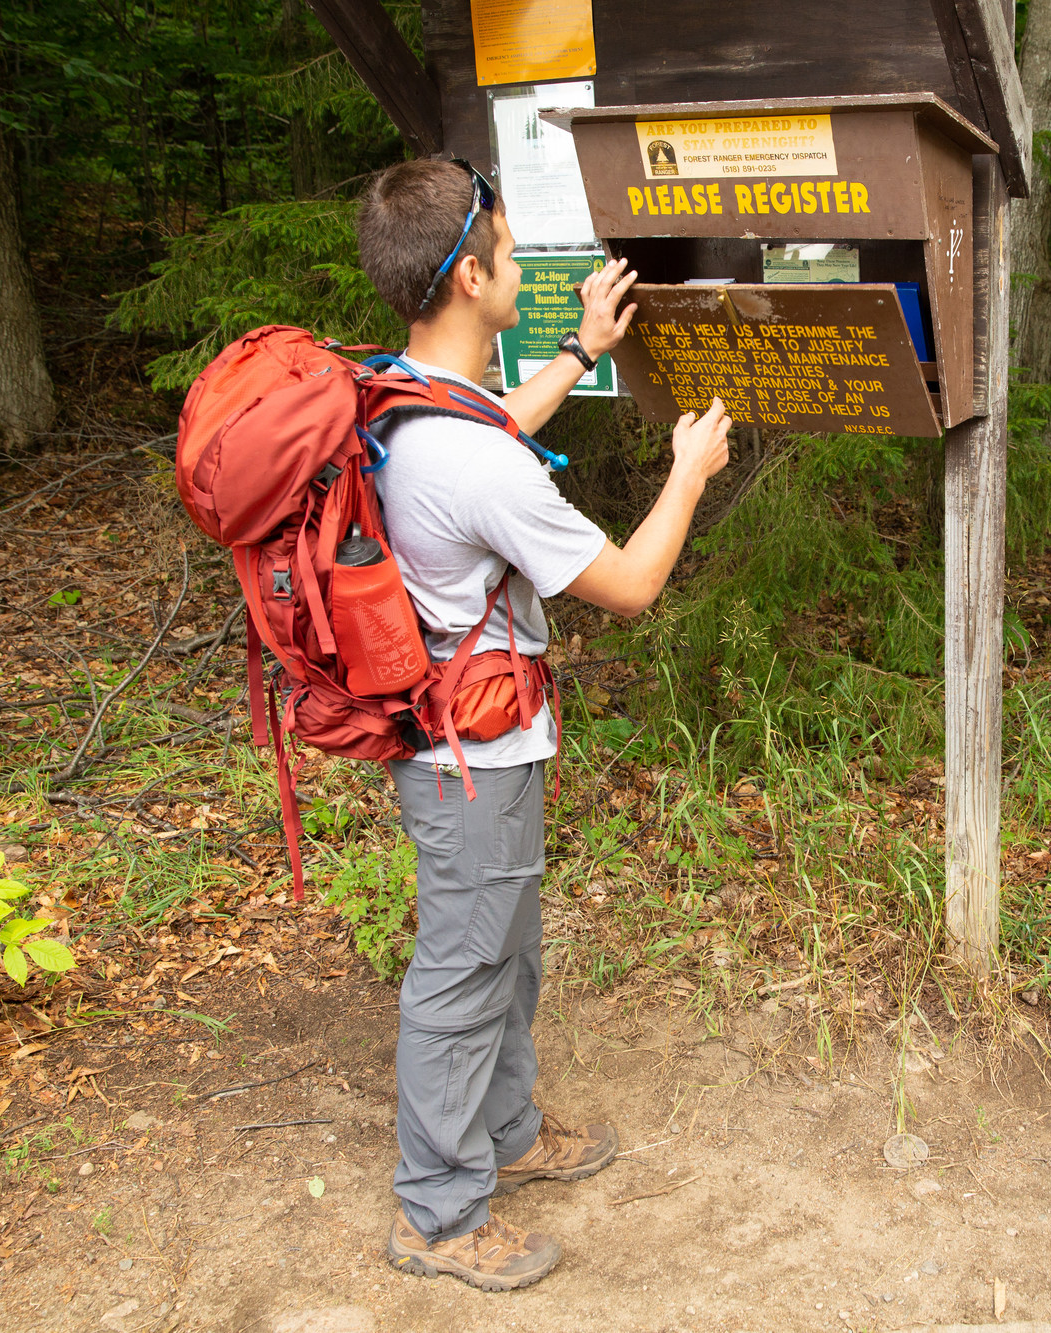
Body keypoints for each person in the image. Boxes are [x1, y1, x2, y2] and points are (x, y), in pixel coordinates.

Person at [353, 158, 731, 1292]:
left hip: (463, 746)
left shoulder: (403, 396)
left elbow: (495, 429)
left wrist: (580, 349)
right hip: (473, 760)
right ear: (469, 276)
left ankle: (506, 1132)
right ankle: (437, 1210)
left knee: (500, 952)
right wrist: (688, 473)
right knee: (464, 971)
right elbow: (628, 584)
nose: (521, 269)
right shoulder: (467, 458)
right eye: (511, 257)